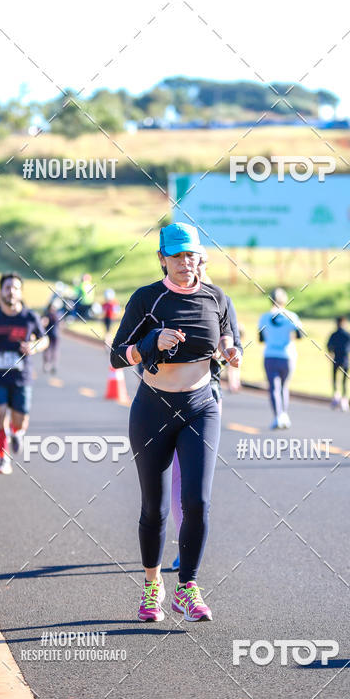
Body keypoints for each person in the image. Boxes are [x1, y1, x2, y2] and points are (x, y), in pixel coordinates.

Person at [111, 223, 241, 623]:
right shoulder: (147, 299)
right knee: (155, 508)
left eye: (192, 255)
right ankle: (153, 585)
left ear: (201, 257)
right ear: (162, 259)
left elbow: (226, 342)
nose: (186, 263)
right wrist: (152, 342)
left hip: (202, 407)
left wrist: (232, 352)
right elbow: (118, 356)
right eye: (177, 256)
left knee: (198, 502)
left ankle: (188, 588)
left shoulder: (218, 299)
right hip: (152, 409)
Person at [169, 248, 242, 571]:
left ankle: (189, 543)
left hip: (208, 393)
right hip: (169, 397)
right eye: (185, 259)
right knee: (175, 476)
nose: (192, 266)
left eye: (197, 260)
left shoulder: (220, 299)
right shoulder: (166, 296)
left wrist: (229, 354)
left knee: (195, 481)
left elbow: (233, 342)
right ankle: (180, 540)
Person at [0, 273, 49, 474]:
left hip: (22, 377)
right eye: (7, 287)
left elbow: (44, 340)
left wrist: (34, 346)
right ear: (1, 291)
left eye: (15, 288)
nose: (11, 291)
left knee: (19, 419)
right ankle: (3, 459)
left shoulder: (30, 317)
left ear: (20, 292)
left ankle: (16, 432)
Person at [258, 288, 304, 429]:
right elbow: (300, 335)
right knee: (284, 387)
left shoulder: (264, 317)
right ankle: (284, 415)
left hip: (270, 355)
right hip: (287, 355)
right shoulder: (292, 316)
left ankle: (278, 416)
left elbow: (260, 338)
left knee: (274, 388)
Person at [327, 316, 350, 411]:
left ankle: (337, 397)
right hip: (345, 360)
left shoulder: (334, 335)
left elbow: (329, 346)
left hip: (337, 359)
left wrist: (332, 353)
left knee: (336, 380)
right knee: (344, 381)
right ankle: (343, 399)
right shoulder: (348, 335)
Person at [41, 299, 61, 374]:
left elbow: (43, 323)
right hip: (50, 335)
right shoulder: (56, 315)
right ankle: (48, 365)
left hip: (52, 335)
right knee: (49, 350)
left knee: (53, 350)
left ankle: (52, 365)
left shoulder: (48, 315)